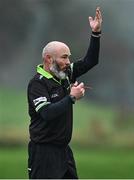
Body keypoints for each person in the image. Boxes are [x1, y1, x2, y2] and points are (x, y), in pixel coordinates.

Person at [27, 7, 102, 179]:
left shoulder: (65, 74)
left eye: (68, 57)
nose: (68, 62)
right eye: (64, 57)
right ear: (48, 59)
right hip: (43, 153)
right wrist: (72, 97)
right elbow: (46, 113)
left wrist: (96, 33)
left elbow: (91, 60)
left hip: (64, 151)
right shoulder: (37, 84)